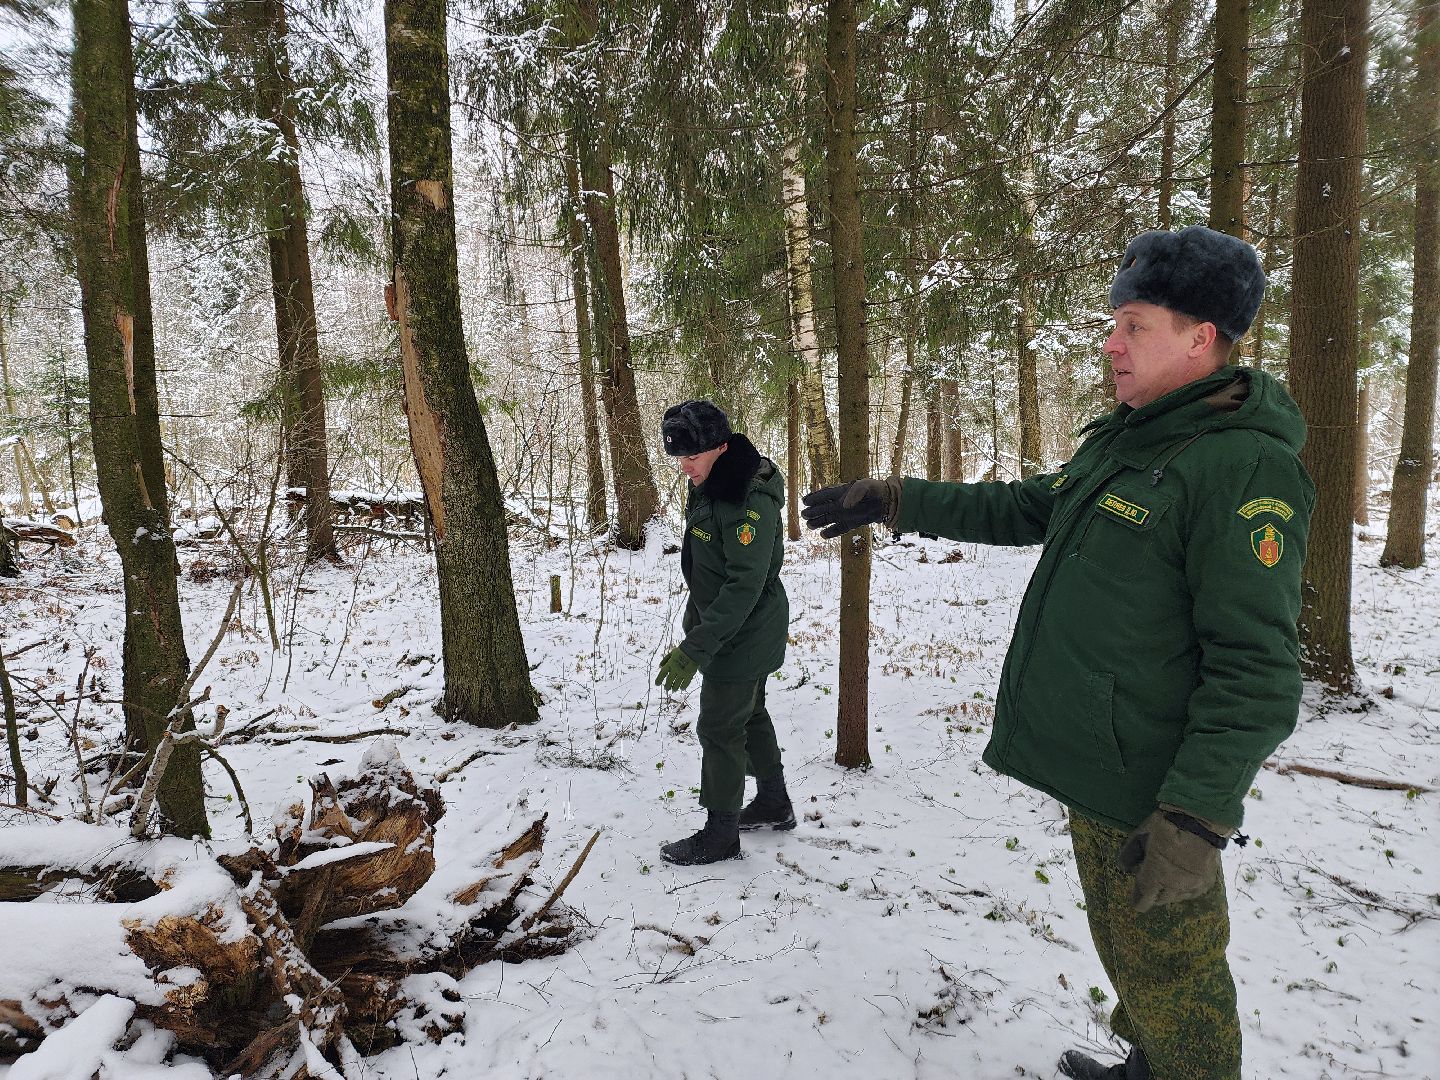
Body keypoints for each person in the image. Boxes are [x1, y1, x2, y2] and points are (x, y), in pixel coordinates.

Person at [801, 226, 1314, 1080]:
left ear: (1203, 336)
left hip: (1160, 785)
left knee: (1178, 974)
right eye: (1113, 321)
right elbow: (1027, 507)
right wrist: (895, 498)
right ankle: (1149, 1060)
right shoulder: (1129, 441)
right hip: (1101, 766)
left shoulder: (1242, 470)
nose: (1111, 342)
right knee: (1125, 944)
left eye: (1135, 324)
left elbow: (1258, 670)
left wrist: (1194, 817)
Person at [655, 400, 794, 866]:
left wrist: (696, 647)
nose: (684, 467)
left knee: (719, 727)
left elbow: (743, 586)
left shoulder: (746, 498)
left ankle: (721, 833)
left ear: (721, 446)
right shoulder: (711, 478)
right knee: (749, 712)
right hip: (728, 626)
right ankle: (774, 802)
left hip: (744, 631)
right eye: (679, 457)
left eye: (691, 456)